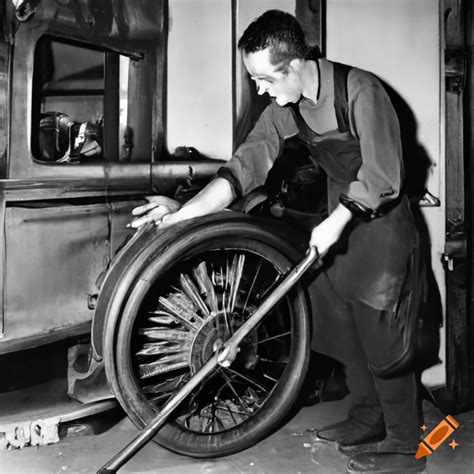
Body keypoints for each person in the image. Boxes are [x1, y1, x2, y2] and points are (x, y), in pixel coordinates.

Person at [130, 10, 424, 473]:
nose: (261, 90)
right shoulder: (287, 109)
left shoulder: (361, 91)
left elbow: (385, 174)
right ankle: (370, 418)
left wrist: (339, 220)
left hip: (382, 228)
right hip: (337, 226)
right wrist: (181, 214)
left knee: (382, 332)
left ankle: (406, 444)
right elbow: (244, 166)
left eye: (265, 79)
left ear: (294, 66)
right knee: (341, 325)